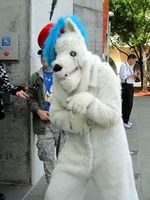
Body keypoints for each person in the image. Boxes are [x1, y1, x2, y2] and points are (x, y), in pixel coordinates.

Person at [27, 23, 66, 184]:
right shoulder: (35, 77)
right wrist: (38, 111)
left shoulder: (64, 75)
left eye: (46, 54)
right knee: (50, 163)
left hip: (62, 125)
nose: (43, 57)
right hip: (44, 126)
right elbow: (30, 99)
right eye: (41, 54)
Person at [120, 54, 138, 129]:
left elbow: (130, 77)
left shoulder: (130, 67)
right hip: (126, 85)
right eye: (134, 61)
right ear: (130, 59)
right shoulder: (123, 65)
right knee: (126, 104)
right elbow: (123, 76)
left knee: (130, 104)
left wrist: (134, 76)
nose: (134, 62)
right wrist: (132, 74)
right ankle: (124, 121)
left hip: (130, 86)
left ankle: (126, 120)